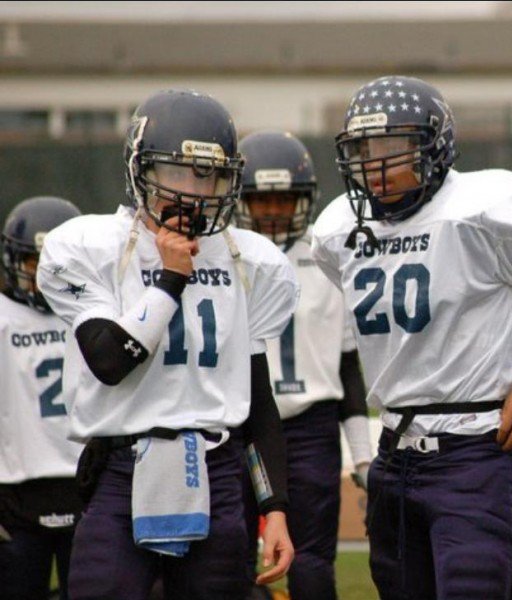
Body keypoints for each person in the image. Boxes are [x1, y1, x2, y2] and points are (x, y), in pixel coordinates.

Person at [36, 88, 297, 600]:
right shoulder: (93, 246)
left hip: (217, 472)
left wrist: (275, 509)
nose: (194, 192)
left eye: (210, 176)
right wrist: (170, 281)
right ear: (141, 172)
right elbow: (109, 362)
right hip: (120, 470)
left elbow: (258, 404)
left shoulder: (250, 260)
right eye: (176, 173)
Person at [311, 75, 512, 600]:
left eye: (393, 147)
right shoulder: (338, 229)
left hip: (474, 448)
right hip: (393, 456)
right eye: (364, 149)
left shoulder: (486, 209)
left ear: (434, 146)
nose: (375, 165)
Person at [236, 130, 372, 600]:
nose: (273, 211)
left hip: (312, 426)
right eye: (262, 199)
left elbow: (347, 364)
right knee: (228, 554)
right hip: (242, 422)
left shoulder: (329, 252)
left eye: (284, 199)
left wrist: (362, 454)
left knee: (313, 561)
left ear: (304, 199)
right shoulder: (226, 255)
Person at [0, 196, 83, 600]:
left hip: (86, 485)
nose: (43, 275)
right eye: (35, 263)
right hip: (14, 490)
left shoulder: (94, 313)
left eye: (55, 264)